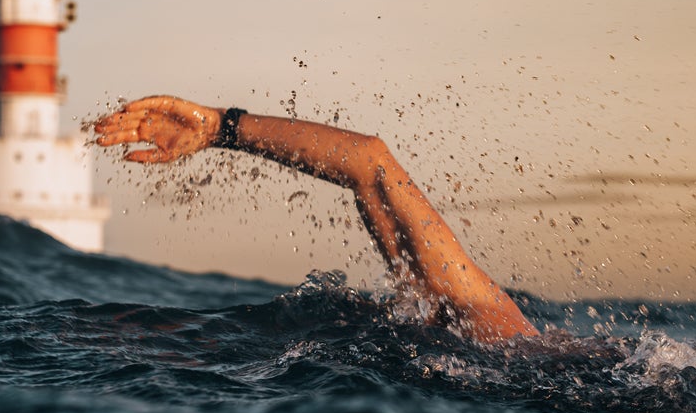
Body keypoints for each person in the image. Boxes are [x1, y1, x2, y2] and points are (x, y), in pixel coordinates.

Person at [91, 97, 536, 342]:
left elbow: (371, 162)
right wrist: (217, 129)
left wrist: (220, 128)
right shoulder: (490, 322)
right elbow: (370, 162)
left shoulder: (490, 324)